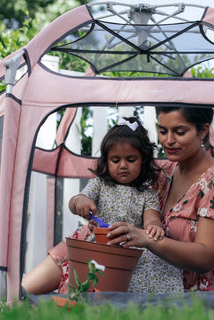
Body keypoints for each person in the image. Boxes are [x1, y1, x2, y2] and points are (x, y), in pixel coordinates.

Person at [22, 116, 183, 294]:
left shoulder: (147, 193)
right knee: (86, 276)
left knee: (120, 283)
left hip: (127, 246)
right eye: (115, 160)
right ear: (106, 161)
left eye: (131, 160)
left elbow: (151, 218)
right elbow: (76, 201)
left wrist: (154, 227)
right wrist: (80, 202)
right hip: (98, 243)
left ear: (143, 161)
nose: (123, 166)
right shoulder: (100, 185)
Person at [107, 106, 214, 291]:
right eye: (163, 131)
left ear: (203, 131)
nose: (169, 140)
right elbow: (116, 188)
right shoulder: (164, 171)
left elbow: (206, 257)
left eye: (180, 132)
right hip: (153, 286)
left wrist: (149, 240)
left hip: (197, 300)